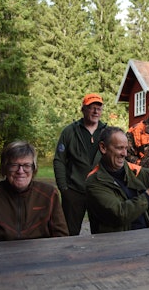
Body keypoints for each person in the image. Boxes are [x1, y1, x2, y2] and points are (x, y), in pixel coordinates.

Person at [0, 141, 68, 244]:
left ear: (34, 168)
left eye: (27, 165)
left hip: (40, 255)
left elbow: (61, 239)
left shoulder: (49, 194)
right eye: (14, 165)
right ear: (5, 168)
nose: (20, 171)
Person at [85, 126, 149, 233]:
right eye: (119, 148)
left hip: (147, 237)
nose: (124, 154)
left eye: (126, 148)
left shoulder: (137, 172)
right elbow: (119, 214)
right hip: (115, 244)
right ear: (103, 148)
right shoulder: (94, 182)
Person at [53, 93, 107, 235]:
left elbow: (116, 159)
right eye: (91, 108)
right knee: (69, 233)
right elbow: (59, 159)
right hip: (74, 191)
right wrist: (63, 188)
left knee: (102, 233)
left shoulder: (107, 133)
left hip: (99, 190)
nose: (96, 111)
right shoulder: (70, 131)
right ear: (83, 109)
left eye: (99, 108)